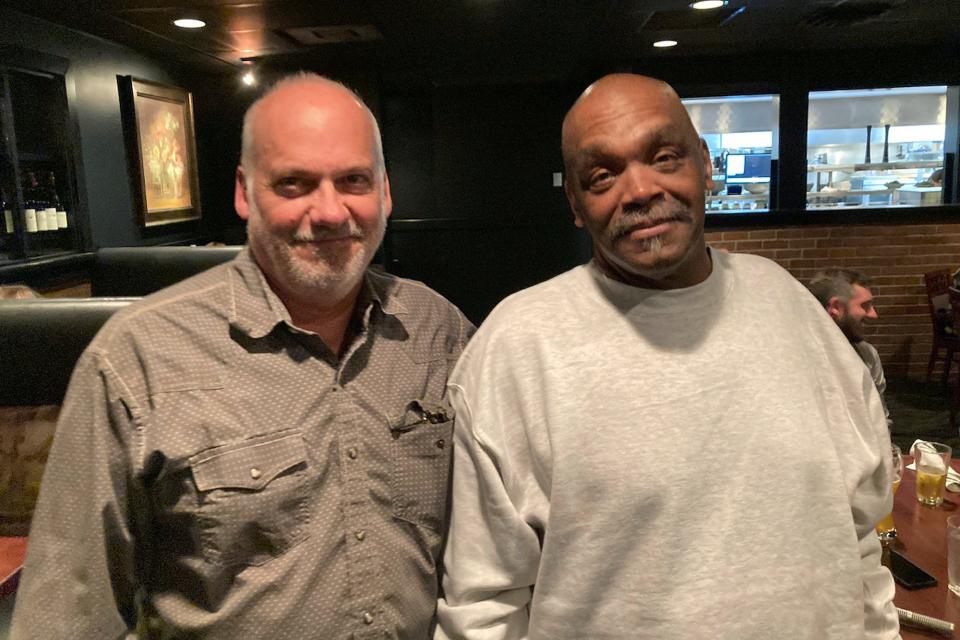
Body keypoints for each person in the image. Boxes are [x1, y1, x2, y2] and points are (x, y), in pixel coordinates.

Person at [12, 73, 474, 640]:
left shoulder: (440, 332)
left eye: (353, 180)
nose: (329, 211)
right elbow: (67, 614)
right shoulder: (137, 359)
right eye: (294, 183)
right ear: (243, 191)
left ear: (385, 191)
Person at [436, 74, 898, 639]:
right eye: (602, 175)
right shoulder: (517, 345)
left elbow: (857, 534)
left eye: (663, 156)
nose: (639, 190)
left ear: (705, 164)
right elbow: (483, 606)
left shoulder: (788, 304)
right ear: (575, 204)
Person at [808, 268, 892, 429]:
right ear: (836, 307)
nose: (874, 314)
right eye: (865, 306)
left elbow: (880, 421)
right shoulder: (798, 359)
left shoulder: (868, 356)